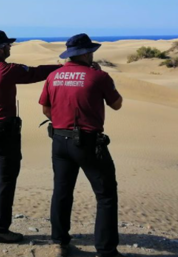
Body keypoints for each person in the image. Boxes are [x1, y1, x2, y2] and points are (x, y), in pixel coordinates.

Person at [0, 30, 61, 244]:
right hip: (4, 133)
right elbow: (36, 73)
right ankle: (0, 229)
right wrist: (63, 68)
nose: (9, 48)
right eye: (8, 46)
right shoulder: (7, 70)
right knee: (5, 180)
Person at [38, 33, 123, 257]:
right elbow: (117, 104)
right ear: (85, 53)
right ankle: (106, 250)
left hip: (59, 140)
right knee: (105, 194)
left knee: (62, 191)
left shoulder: (54, 76)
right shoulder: (98, 76)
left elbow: (46, 109)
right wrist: (103, 77)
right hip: (88, 142)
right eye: (91, 51)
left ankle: (60, 243)